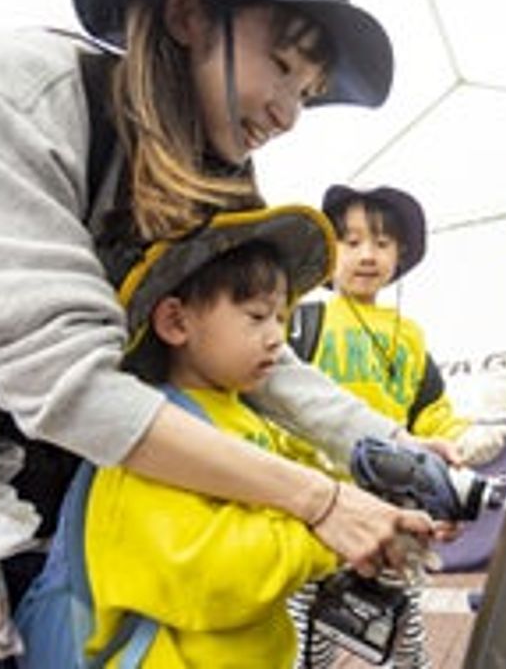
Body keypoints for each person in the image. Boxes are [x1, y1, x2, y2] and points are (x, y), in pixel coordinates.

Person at [0, 0, 437, 611]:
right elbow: (65, 380)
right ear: (188, 9)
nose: (288, 114)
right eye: (280, 66)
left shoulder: (205, 177)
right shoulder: (13, 91)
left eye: (307, 91)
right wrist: (319, 498)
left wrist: (393, 447)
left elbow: (244, 341)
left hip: (0, 446)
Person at [20, 204, 349, 668]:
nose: (277, 338)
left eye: (282, 318)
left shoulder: (243, 417)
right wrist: (328, 531)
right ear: (176, 322)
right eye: (257, 317)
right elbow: (215, 577)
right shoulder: (153, 436)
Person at [288, 184, 506, 668]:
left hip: (393, 508)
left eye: (382, 243)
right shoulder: (304, 317)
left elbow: (428, 410)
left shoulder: (409, 335)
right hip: (317, 506)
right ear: (328, 250)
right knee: (306, 629)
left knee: (403, 621)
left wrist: (461, 437)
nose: (367, 255)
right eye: (351, 241)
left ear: (401, 255)